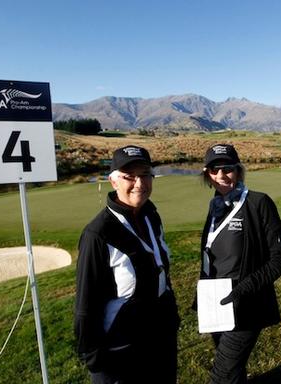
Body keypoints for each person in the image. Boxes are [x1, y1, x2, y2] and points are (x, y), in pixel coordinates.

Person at [74, 145, 180, 384]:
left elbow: (160, 269)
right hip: (121, 347)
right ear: (113, 182)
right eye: (129, 176)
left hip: (160, 337)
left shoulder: (151, 216)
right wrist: (95, 360)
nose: (139, 183)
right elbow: (85, 305)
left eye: (144, 174)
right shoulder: (98, 233)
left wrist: (170, 314)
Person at [198, 144, 281, 383]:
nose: (221, 176)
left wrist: (244, 288)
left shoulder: (258, 203)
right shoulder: (216, 206)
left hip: (246, 304)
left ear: (238, 171)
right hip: (216, 302)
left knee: (221, 375)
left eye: (227, 168)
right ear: (207, 175)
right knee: (233, 368)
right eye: (214, 170)